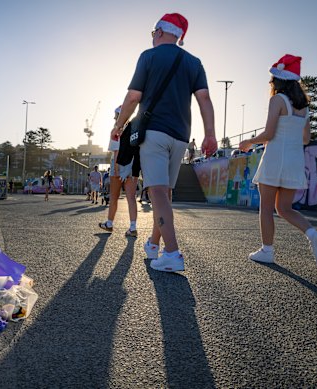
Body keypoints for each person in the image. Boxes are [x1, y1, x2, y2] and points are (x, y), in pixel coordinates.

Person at [111, 12, 217, 272]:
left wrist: (119, 124)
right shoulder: (194, 62)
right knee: (165, 192)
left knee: (157, 191)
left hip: (154, 132)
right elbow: (204, 99)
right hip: (181, 135)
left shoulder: (148, 56)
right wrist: (210, 134)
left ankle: (172, 253)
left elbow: (134, 96)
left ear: (159, 31)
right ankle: (153, 244)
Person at [238, 54, 317, 266]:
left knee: (267, 208)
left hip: (274, 160)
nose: (271, 82)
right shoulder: (304, 107)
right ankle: (313, 234)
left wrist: (249, 141)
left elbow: (269, 134)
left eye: (273, 78)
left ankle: (267, 251)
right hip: (294, 161)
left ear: (280, 80)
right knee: (285, 209)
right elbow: (306, 138)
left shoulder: (277, 100)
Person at [99, 105, 140, 236]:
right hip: (132, 167)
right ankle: (133, 227)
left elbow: (116, 150)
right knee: (131, 198)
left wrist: (116, 167)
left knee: (114, 197)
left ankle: (109, 223)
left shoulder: (116, 130)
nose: (114, 118)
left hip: (119, 165)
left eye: (116, 115)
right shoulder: (134, 128)